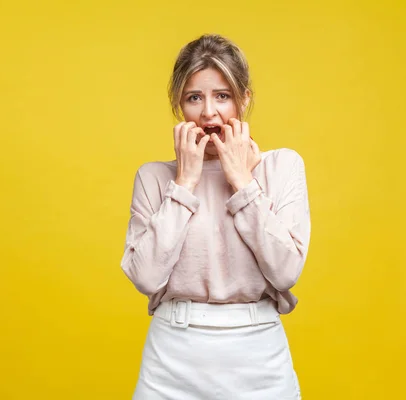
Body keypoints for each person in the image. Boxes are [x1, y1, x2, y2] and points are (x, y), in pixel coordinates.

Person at [120, 33, 311, 399]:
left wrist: (242, 181)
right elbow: (146, 277)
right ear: (180, 105)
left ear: (244, 99)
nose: (209, 112)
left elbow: (286, 271)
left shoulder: (281, 167)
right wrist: (185, 183)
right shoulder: (154, 177)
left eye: (222, 96)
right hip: (171, 361)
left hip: (259, 361)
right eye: (195, 97)